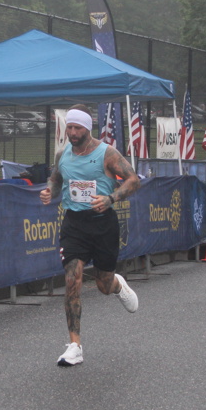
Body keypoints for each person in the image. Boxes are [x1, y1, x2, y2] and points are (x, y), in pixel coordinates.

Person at [40, 105, 140, 367]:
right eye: (69, 128)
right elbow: (56, 179)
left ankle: (116, 284)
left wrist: (111, 198)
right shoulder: (63, 154)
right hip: (74, 225)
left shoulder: (107, 154)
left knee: (103, 285)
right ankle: (75, 346)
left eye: (78, 128)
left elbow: (133, 180)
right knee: (72, 279)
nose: (72, 133)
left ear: (88, 128)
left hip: (103, 225)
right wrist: (49, 191)